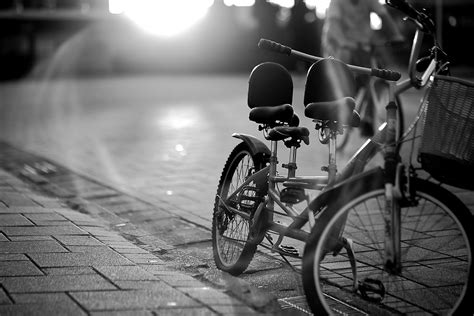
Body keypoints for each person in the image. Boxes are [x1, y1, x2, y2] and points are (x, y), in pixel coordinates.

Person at [321, 0, 404, 68]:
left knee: (373, 68)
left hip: (361, 42)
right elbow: (334, 25)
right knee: (344, 60)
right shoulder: (336, 2)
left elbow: (384, 16)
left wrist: (396, 35)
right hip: (338, 43)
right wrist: (345, 43)